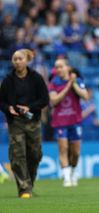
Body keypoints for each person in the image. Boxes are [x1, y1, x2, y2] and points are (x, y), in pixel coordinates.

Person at [0, 49, 49, 198]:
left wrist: (30, 107)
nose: (17, 61)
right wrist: (8, 108)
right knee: (17, 155)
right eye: (14, 59)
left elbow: (44, 99)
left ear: (27, 60)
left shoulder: (36, 78)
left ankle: (29, 183)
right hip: (15, 122)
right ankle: (24, 189)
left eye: (20, 59)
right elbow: (1, 101)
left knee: (35, 155)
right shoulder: (8, 80)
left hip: (33, 121)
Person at [48, 59, 89, 187]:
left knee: (75, 152)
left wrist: (74, 83)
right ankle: (66, 178)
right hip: (60, 121)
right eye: (56, 67)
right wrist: (68, 86)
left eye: (61, 67)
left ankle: (73, 171)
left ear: (68, 67)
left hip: (75, 121)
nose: (58, 69)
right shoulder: (53, 83)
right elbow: (54, 101)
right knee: (63, 148)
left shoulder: (77, 81)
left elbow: (85, 96)